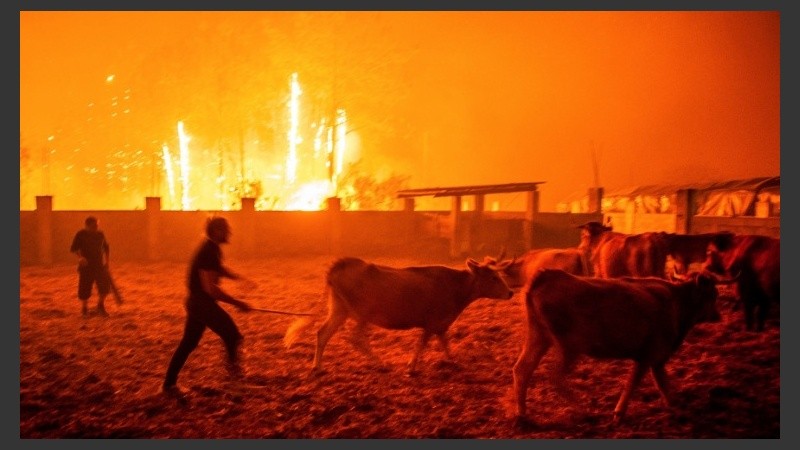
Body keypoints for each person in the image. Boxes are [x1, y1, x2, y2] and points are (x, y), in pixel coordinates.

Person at [162, 216, 254, 395]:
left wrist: (238, 278)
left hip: (197, 302)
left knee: (189, 343)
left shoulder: (212, 248)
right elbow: (211, 290)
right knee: (233, 336)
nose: (229, 233)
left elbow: (218, 269)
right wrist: (238, 303)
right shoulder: (208, 251)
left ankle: (168, 385)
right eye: (226, 229)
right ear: (217, 231)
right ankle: (234, 384)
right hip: (201, 303)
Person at [70, 216, 111, 317]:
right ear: (87, 226)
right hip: (86, 266)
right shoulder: (81, 234)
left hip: (99, 265)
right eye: (94, 226)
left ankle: (100, 306)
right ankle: (84, 309)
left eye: (97, 225)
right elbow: (74, 248)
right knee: (85, 288)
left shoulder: (100, 234)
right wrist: (80, 258)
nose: (96, 227)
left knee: (105, 286)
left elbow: (106, 247)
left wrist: (107, 262)